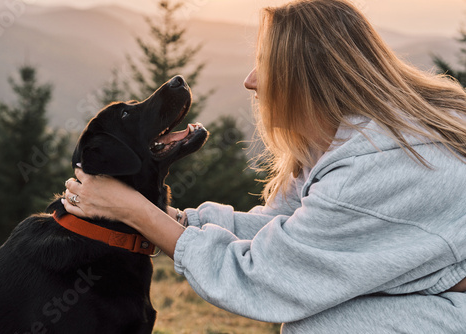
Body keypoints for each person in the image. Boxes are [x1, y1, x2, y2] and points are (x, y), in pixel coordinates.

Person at [64, 0, 466, 332]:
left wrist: (135, 211)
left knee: (320, 327)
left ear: (306, 80)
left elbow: (264, 277)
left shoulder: (379, 166)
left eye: (265, 63)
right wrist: (176, 218)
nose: (250, 80)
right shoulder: (350, 139)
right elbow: (289, 233)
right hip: (440, 289)